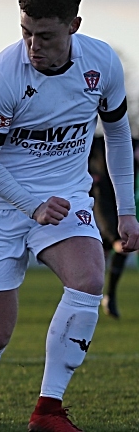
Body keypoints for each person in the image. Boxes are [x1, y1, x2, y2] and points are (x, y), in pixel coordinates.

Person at [0, 0, 139, 432]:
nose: (32, 45)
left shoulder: (102, 63)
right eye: (25, 32)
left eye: (45, 35)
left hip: (65, 196)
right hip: (2, 202)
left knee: (88, 278)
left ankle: (48, 410)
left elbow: (118, 136)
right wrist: (31, 205)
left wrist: (126, 210)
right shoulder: (3, 75)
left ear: (74, 26)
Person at [88, 136, 135, 319]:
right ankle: (99, 296)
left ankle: (107, 296)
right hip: (101, 200)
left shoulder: (127, 141)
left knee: (112, 247)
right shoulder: (95, 142)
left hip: (122, 199)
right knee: (118, 244)